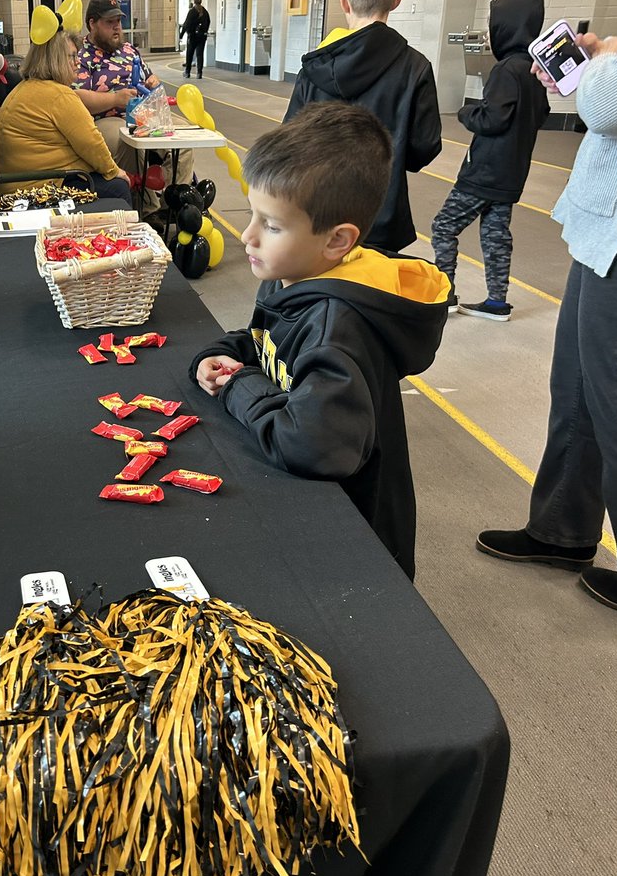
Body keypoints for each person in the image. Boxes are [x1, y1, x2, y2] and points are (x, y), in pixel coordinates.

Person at [476, 0, 617, 631]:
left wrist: (592, 70)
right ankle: (562, 528)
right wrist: (615, 49)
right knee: (581, 383)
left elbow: (615, 103)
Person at [190, 102, 450, 580]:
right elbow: (266, 340)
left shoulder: (338, 327)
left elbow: (313, 445)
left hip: (355, 538)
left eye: (270, 225)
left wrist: (238, 387)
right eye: (253, 214)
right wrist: (222, 355)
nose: (247, 236)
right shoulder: (293, 273)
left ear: (336, 241)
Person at [283, 0, 441, 253]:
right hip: (381, 217)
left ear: (343, 1)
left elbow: (289, 142)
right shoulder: (416, 67)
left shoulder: (314, 67)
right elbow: (423, 147)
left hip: (319, 213)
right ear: (397, 0)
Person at [430, 0, 549, 321]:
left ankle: (444, 294)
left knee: (443, 227)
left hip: (483, 171)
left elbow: (492, 118)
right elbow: (541, 115)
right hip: (512, 172)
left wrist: (467, 113)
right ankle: (497, 301)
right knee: (495, 233)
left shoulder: (506, 70)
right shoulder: (534, 71)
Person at [74, 0, 192, 217]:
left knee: (184, 138)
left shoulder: (130, 51)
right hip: (106, 117)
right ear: (92, 23)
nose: (117, 27)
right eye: (110, 22)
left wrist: (154, 83)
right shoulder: (81, 55)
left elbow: (151, 81)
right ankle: (146, 209)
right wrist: (115, 99)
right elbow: (76, 98)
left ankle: (173, 200)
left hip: (142, 112)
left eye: (118, 21)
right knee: (126, 141)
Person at [0, 31, 130, 201]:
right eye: (72, 56)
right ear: (55, 59)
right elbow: (91, 144)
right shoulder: (59, 95)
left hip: (16, 183)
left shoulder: (25, 88)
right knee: (119, 187)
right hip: (39, 188)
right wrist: (114, 171)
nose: (78, 62)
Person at [180, 0, 211, 79]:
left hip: (192, 36)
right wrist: (205, 31)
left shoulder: (192, 11)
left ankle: (187, 72)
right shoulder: (205, 11)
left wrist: (181, 35)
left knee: (189, 54)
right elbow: (208, 21)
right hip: (202, 36)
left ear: (194, 2)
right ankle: (199, 73)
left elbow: (186, 24)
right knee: (200, 54)